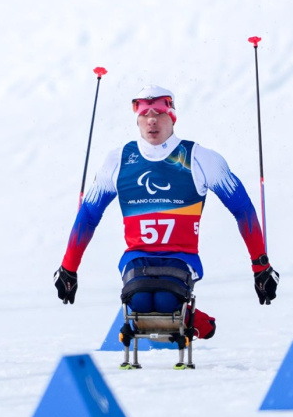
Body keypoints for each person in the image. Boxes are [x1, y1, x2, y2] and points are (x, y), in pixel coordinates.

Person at [53, 85, 279, 339]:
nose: (152, 121)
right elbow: (89, 215)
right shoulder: (118, 160)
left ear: (172, 117)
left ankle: (199, 322)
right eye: (144, 115)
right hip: (138, 256)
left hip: (181, 258)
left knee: (162, 301)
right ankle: (192, 320)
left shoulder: (199, 158)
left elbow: (242, 209)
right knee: (139, 303)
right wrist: (68, 268)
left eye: (159, 114)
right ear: (137, 119)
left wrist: (260, 266)